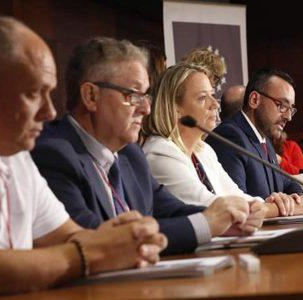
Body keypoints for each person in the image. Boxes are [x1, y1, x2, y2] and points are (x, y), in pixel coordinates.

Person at [0, 17, 166, 298]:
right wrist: (90, 254)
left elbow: (69, 236)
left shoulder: (12, 155)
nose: (49, 112)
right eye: (35, 93)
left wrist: (124, 240)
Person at [31, 37, 265, 255]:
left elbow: (172, 210)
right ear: (91, 96)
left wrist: (230, 220)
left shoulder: (130, 155)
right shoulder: (54, 154)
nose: (146, 108)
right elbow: (96, 240)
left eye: (146, 96)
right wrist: (207, 224)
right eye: (133, 95)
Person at [141, 64, 303, 217]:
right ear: (174, 107)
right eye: (202, 98)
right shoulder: (160, 151)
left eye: (212, 95)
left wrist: (277, 203)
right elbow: (210, 206)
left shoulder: (203, 151)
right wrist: (277, 208)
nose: (215, 104)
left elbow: (236, 196)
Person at [206, 68, 303, 207]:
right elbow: (237, 204)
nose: (288, 117)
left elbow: (285, 183)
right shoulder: (229, 136)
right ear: (254, 100)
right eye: (281, 105)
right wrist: (286, 207)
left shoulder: (264, 139)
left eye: (291, 109)